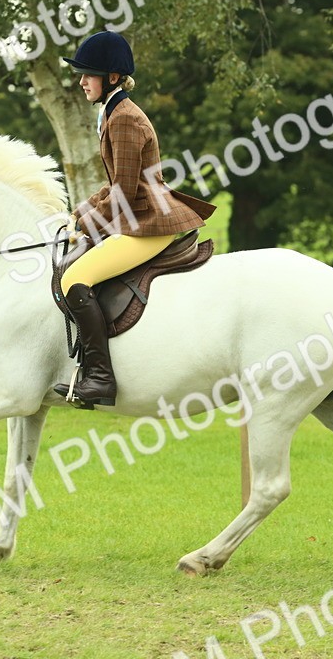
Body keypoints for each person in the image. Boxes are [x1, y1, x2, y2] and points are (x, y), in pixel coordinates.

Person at [56, 30, 216, 409]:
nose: (81, 82)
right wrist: (78, 213)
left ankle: (99, 377)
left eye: (88, 74)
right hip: (140, 216)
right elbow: (114, 185)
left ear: (112, 77)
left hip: (148, 222)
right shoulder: (113, 113)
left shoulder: (125, 119)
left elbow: (125, 194)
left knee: (74, 278)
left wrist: (87, 223)